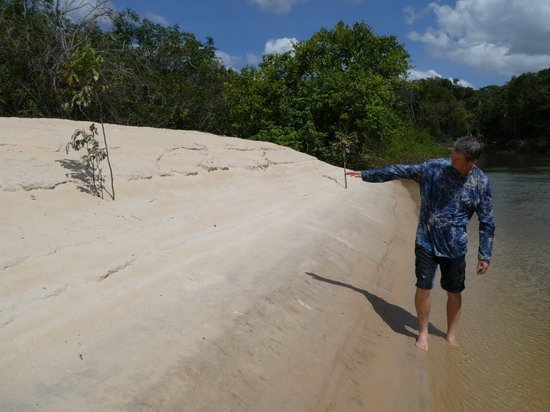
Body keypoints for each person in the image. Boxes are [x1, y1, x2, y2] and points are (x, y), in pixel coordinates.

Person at [346, 136, 495, 351]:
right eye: (451, 155)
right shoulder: (434, 168)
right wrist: (365, 175)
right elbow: (399, 170)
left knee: (454, 291)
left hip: (455, 247)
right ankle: (423, 331)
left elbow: (487, 221)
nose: (450, 159)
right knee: (423, 287)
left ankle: (451, 334)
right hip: (426, 239)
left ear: (471, 161)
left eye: (456, 158)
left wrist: (485, 255)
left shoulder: (481, 183)